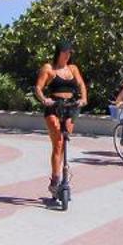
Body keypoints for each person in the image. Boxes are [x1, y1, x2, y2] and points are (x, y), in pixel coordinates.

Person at [34, 41, 87, 195]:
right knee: (57, 143)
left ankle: (63, 175)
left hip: (70, 106)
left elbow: (82, 85)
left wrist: (83, 98)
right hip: (54, 106)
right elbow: (38, 88)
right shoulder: (48, 69)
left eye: (70, 53)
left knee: (63, 142)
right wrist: (44, 99)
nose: (68, 55)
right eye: (65, 52)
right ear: (59, 53)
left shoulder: (73, 68)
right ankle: (55, 178)